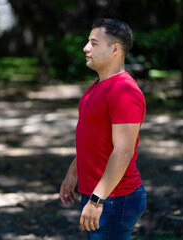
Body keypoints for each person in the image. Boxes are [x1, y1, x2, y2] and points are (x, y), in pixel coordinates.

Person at [59, 18, 147, 240]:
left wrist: (97, 200)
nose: (85, 48)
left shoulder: (125, 92)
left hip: (115, 197)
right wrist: (73, 172)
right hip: (100, 193)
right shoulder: (99, 85)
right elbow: (94, 138)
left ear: (115, 49)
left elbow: (123, 151)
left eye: (94, 43)